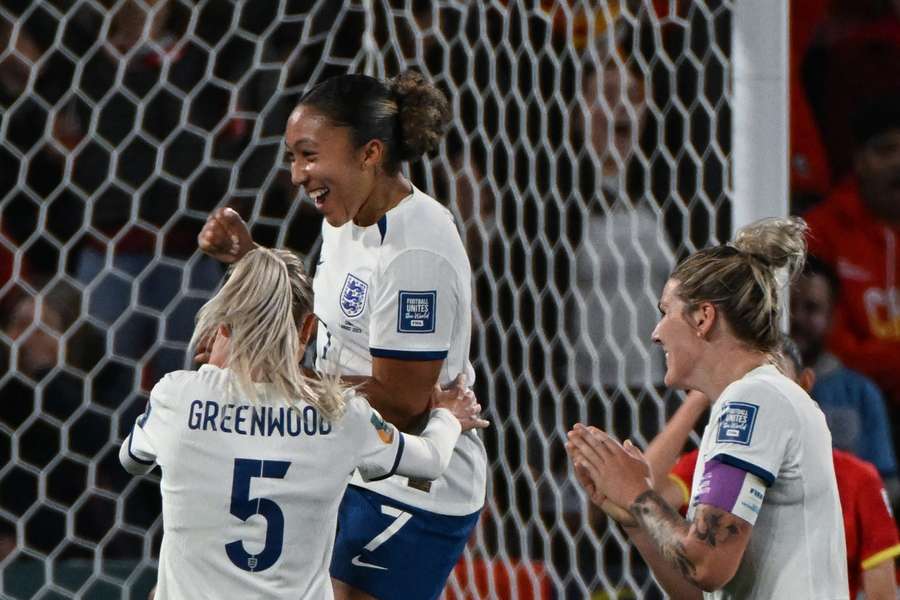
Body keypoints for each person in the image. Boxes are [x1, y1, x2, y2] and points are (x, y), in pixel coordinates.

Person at [198, 71, 487, 600]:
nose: (296, 174)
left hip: (412, 487)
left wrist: (274, 381)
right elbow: (327, 326)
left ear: (369, 153)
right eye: (292, 157)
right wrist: (250, 260)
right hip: (345, 459)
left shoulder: (414, 251)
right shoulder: (343, 219)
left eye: (308, 155)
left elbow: (402, 402)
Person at [119, 247, 488, 599]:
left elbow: (132, 460)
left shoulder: (178, 396)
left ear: (222, 326)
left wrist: (208, 387)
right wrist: (447, 416)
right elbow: (431, 460)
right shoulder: (340, 412)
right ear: (308, 329)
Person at [566, 217, 849, 599]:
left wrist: (638, 495)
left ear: (703, 317)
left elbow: (707, 564)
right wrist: (637, 520)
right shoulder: (754, 398)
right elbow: (699, 588)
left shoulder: (753, 401)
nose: (656, 332)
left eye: (666, 311)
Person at [649, 337, 899, 600]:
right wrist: (698, 400)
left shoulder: (859, 479)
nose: (762, 399)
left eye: (775, 385)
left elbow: (881, 592)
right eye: (749, 387)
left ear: (804, 385)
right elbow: (641, 492)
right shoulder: (723, 463)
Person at [802, 92, 900, 408]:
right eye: (886, 150)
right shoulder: (820, 230)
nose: (898, 162)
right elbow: (830, 344)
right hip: (844, 394)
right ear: (858, 159)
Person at [791, 255, 899, 497]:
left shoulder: (861, 393)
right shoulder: (757, 385)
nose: (797, 318)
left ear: (831, 318)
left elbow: (887, 483)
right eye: (789, 306)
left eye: (811, 308)